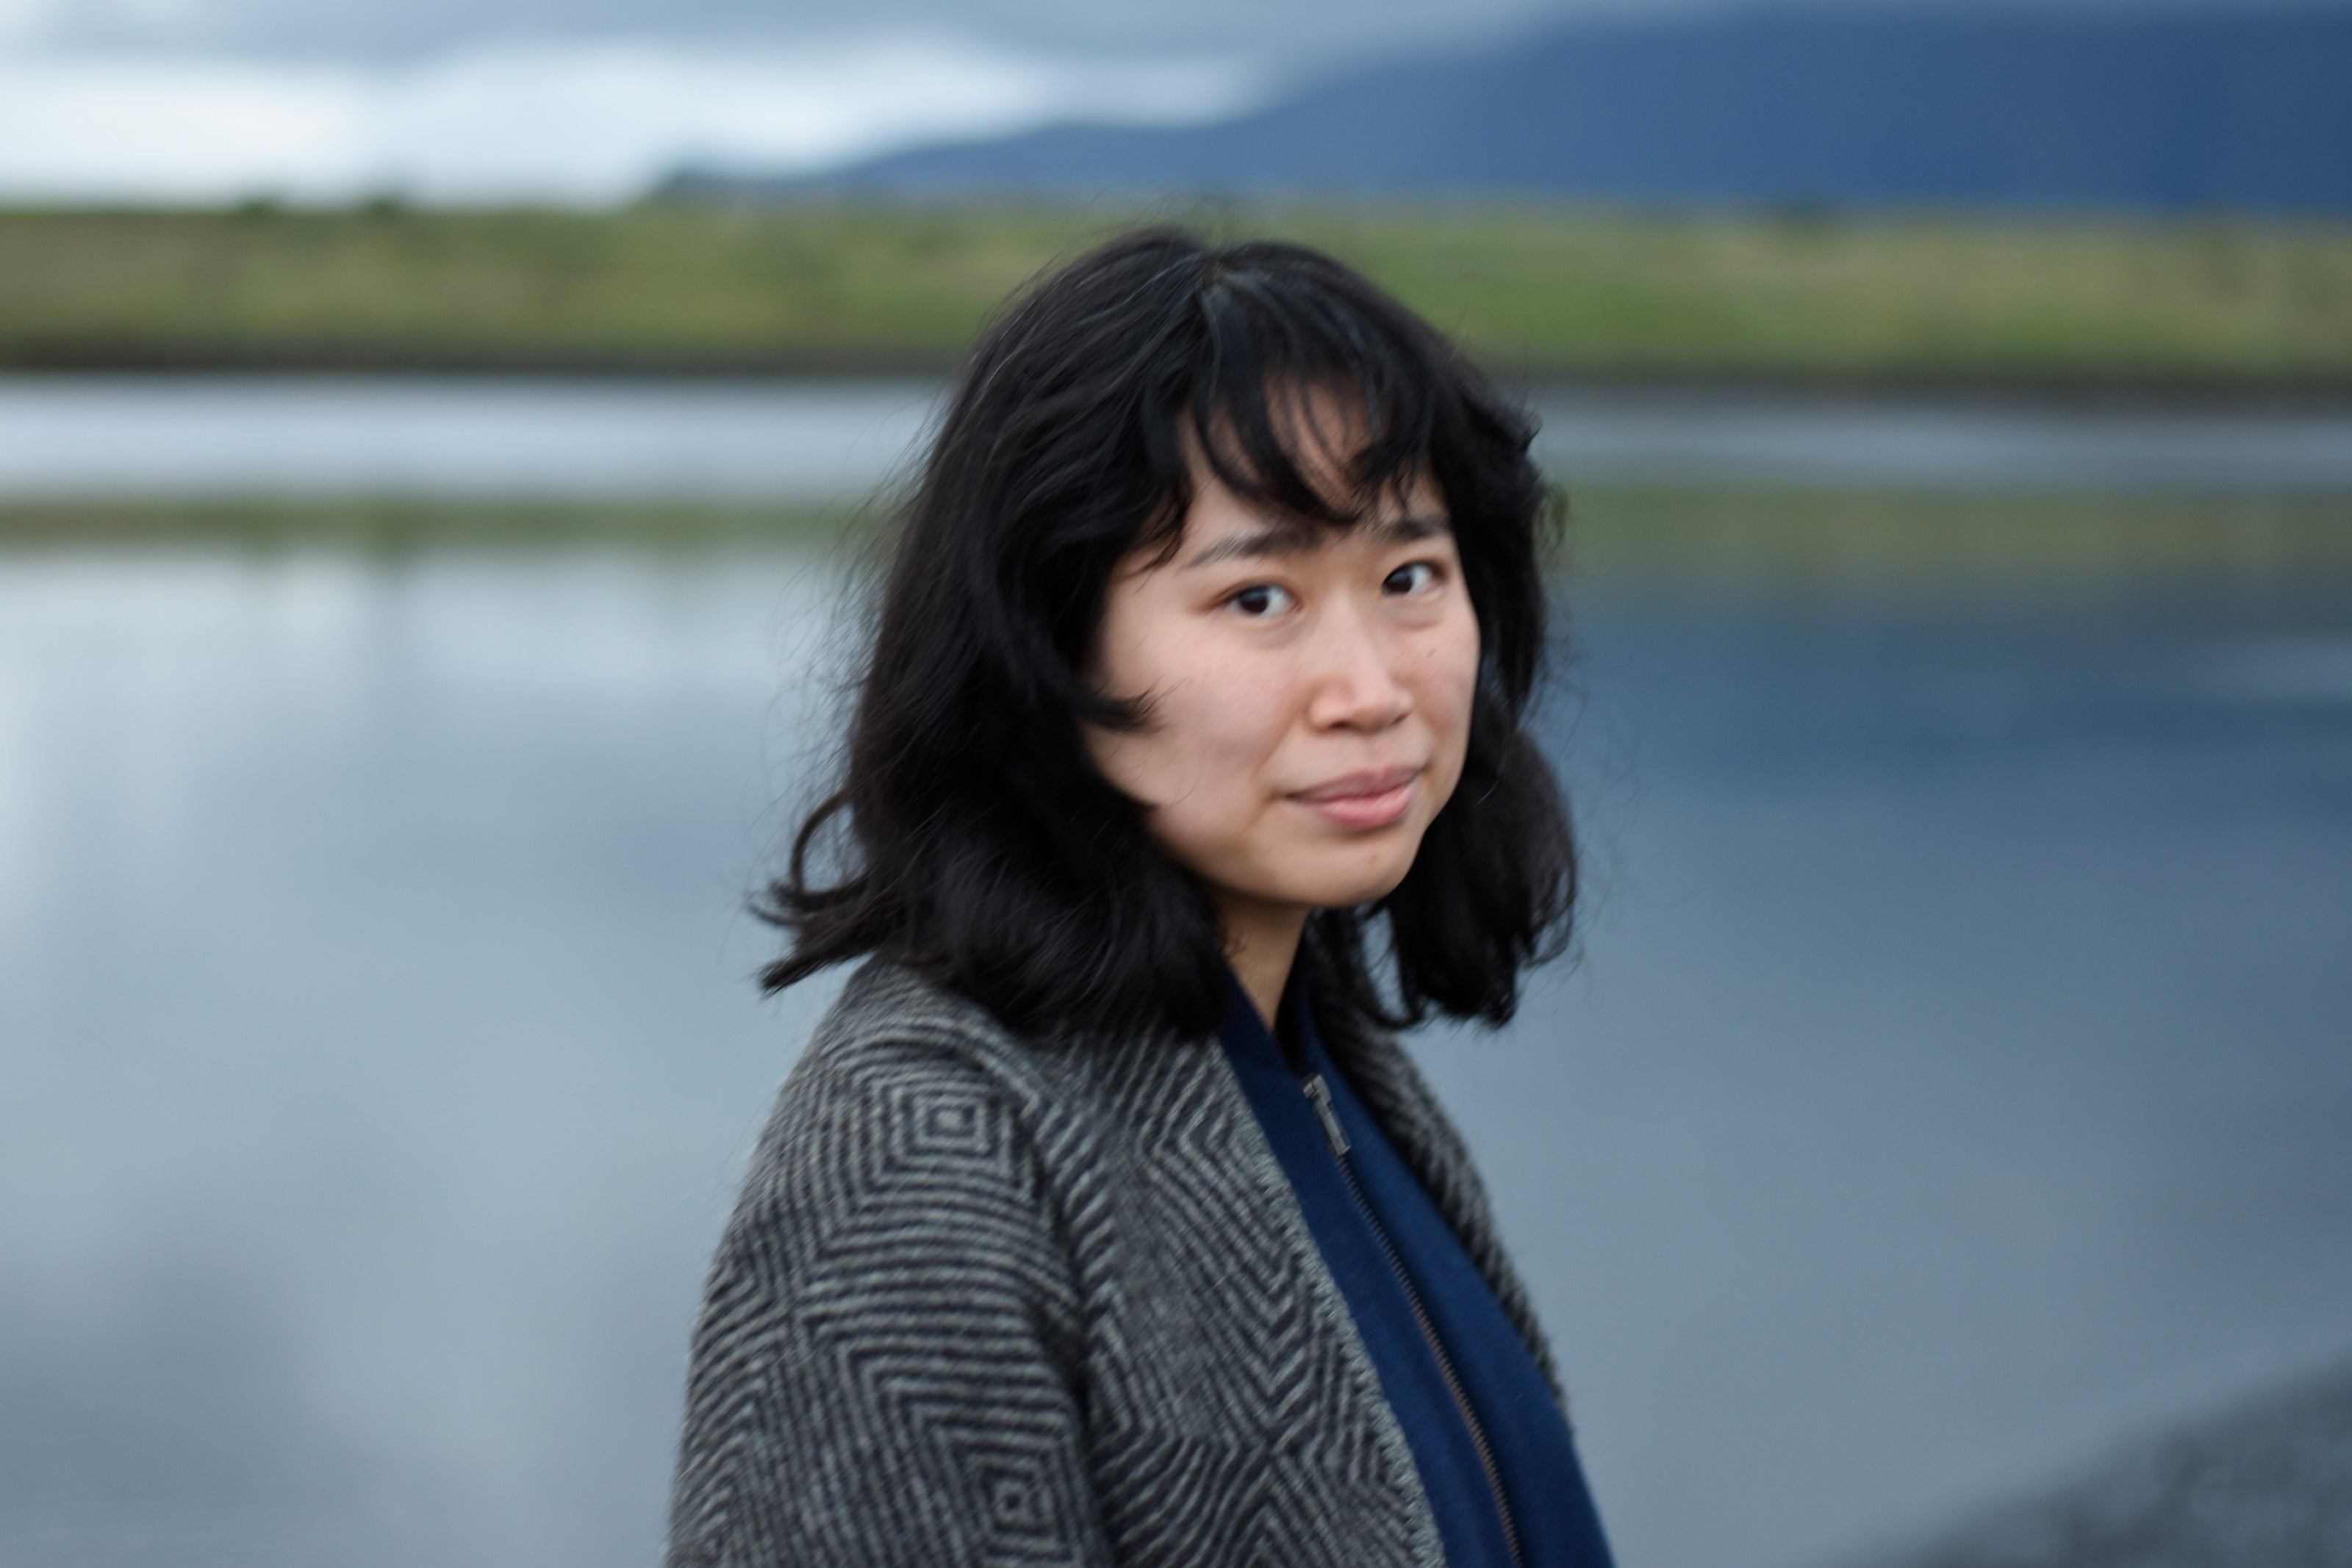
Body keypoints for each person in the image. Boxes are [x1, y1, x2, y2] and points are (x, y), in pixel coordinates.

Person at [664, 228, 1613, 1568]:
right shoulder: (922, 1164)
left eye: (1410, 576)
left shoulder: (1312, 1043)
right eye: (1261, 595)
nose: (1372, 688)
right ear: (1047, 640)